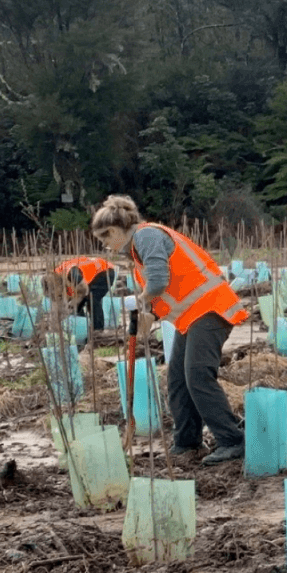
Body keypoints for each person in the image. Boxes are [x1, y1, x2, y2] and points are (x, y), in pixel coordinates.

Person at [89, 195, 249, 464]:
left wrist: (140, 301)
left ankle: (232, 440)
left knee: (197, 375)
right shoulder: (138, 250)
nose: (105, 246)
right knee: (177, 379)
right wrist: (148, 313)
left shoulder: (146, 236)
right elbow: (163, 290)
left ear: (115, 231)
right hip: (191, 317)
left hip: (210, 309)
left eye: (104, 239)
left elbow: (159, 280)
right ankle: (187, 442)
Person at [54, 255, 115, 331]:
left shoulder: (69, 271)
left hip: (105, 271)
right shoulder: (61, 274)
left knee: (92, 298)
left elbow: (84, 290)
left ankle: (98, 330)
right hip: (93, 276)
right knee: (80, 303)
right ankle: (82, 326)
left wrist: (75, 301)